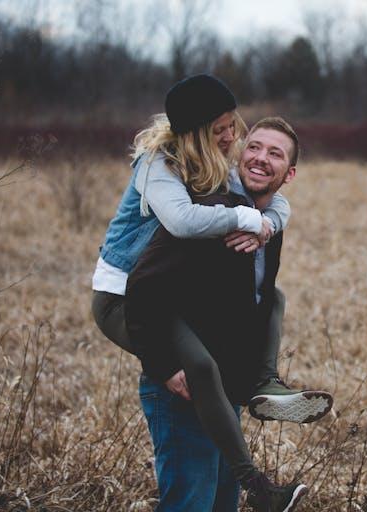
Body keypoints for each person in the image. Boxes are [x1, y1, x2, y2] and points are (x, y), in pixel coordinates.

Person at [90, 75, 330, 511]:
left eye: (233, 125)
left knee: (272, 298)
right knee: (196, 368)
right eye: (221, 129)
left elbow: (271, 199)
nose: (233, 137)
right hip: (125, 292)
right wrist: (244, 218)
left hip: (167, 301)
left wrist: (267, 224)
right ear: (197, 132)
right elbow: (182, 223)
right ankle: (259, 487)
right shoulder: (159, 164)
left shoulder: (218, 166)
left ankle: (263, 382)